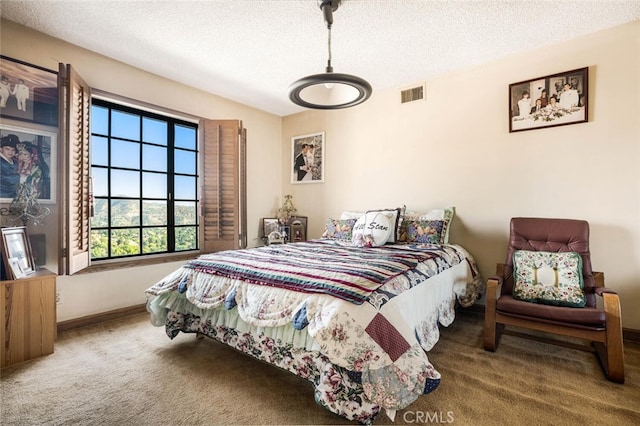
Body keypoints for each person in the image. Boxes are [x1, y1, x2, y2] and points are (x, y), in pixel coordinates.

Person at [0, 134, 20, 198]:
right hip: (2, 194)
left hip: (13, 194)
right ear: (1, 149)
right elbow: (2, 177)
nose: (10, 152)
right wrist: (20, 177)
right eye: (7, 149)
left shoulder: (15, 161)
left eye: (13, 150)